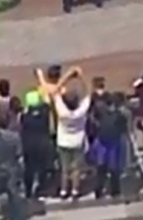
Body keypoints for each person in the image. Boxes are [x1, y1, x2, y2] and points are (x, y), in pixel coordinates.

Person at [52, 69, 92, 200]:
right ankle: (75, 190)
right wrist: (80, 75)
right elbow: (88, 92)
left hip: (63, 141)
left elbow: (56, 90)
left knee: (64, 168)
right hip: (77, 141)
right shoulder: (81, 111)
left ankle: (64, 190)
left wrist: (68, 75)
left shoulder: (62, 111)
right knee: (76, 168)